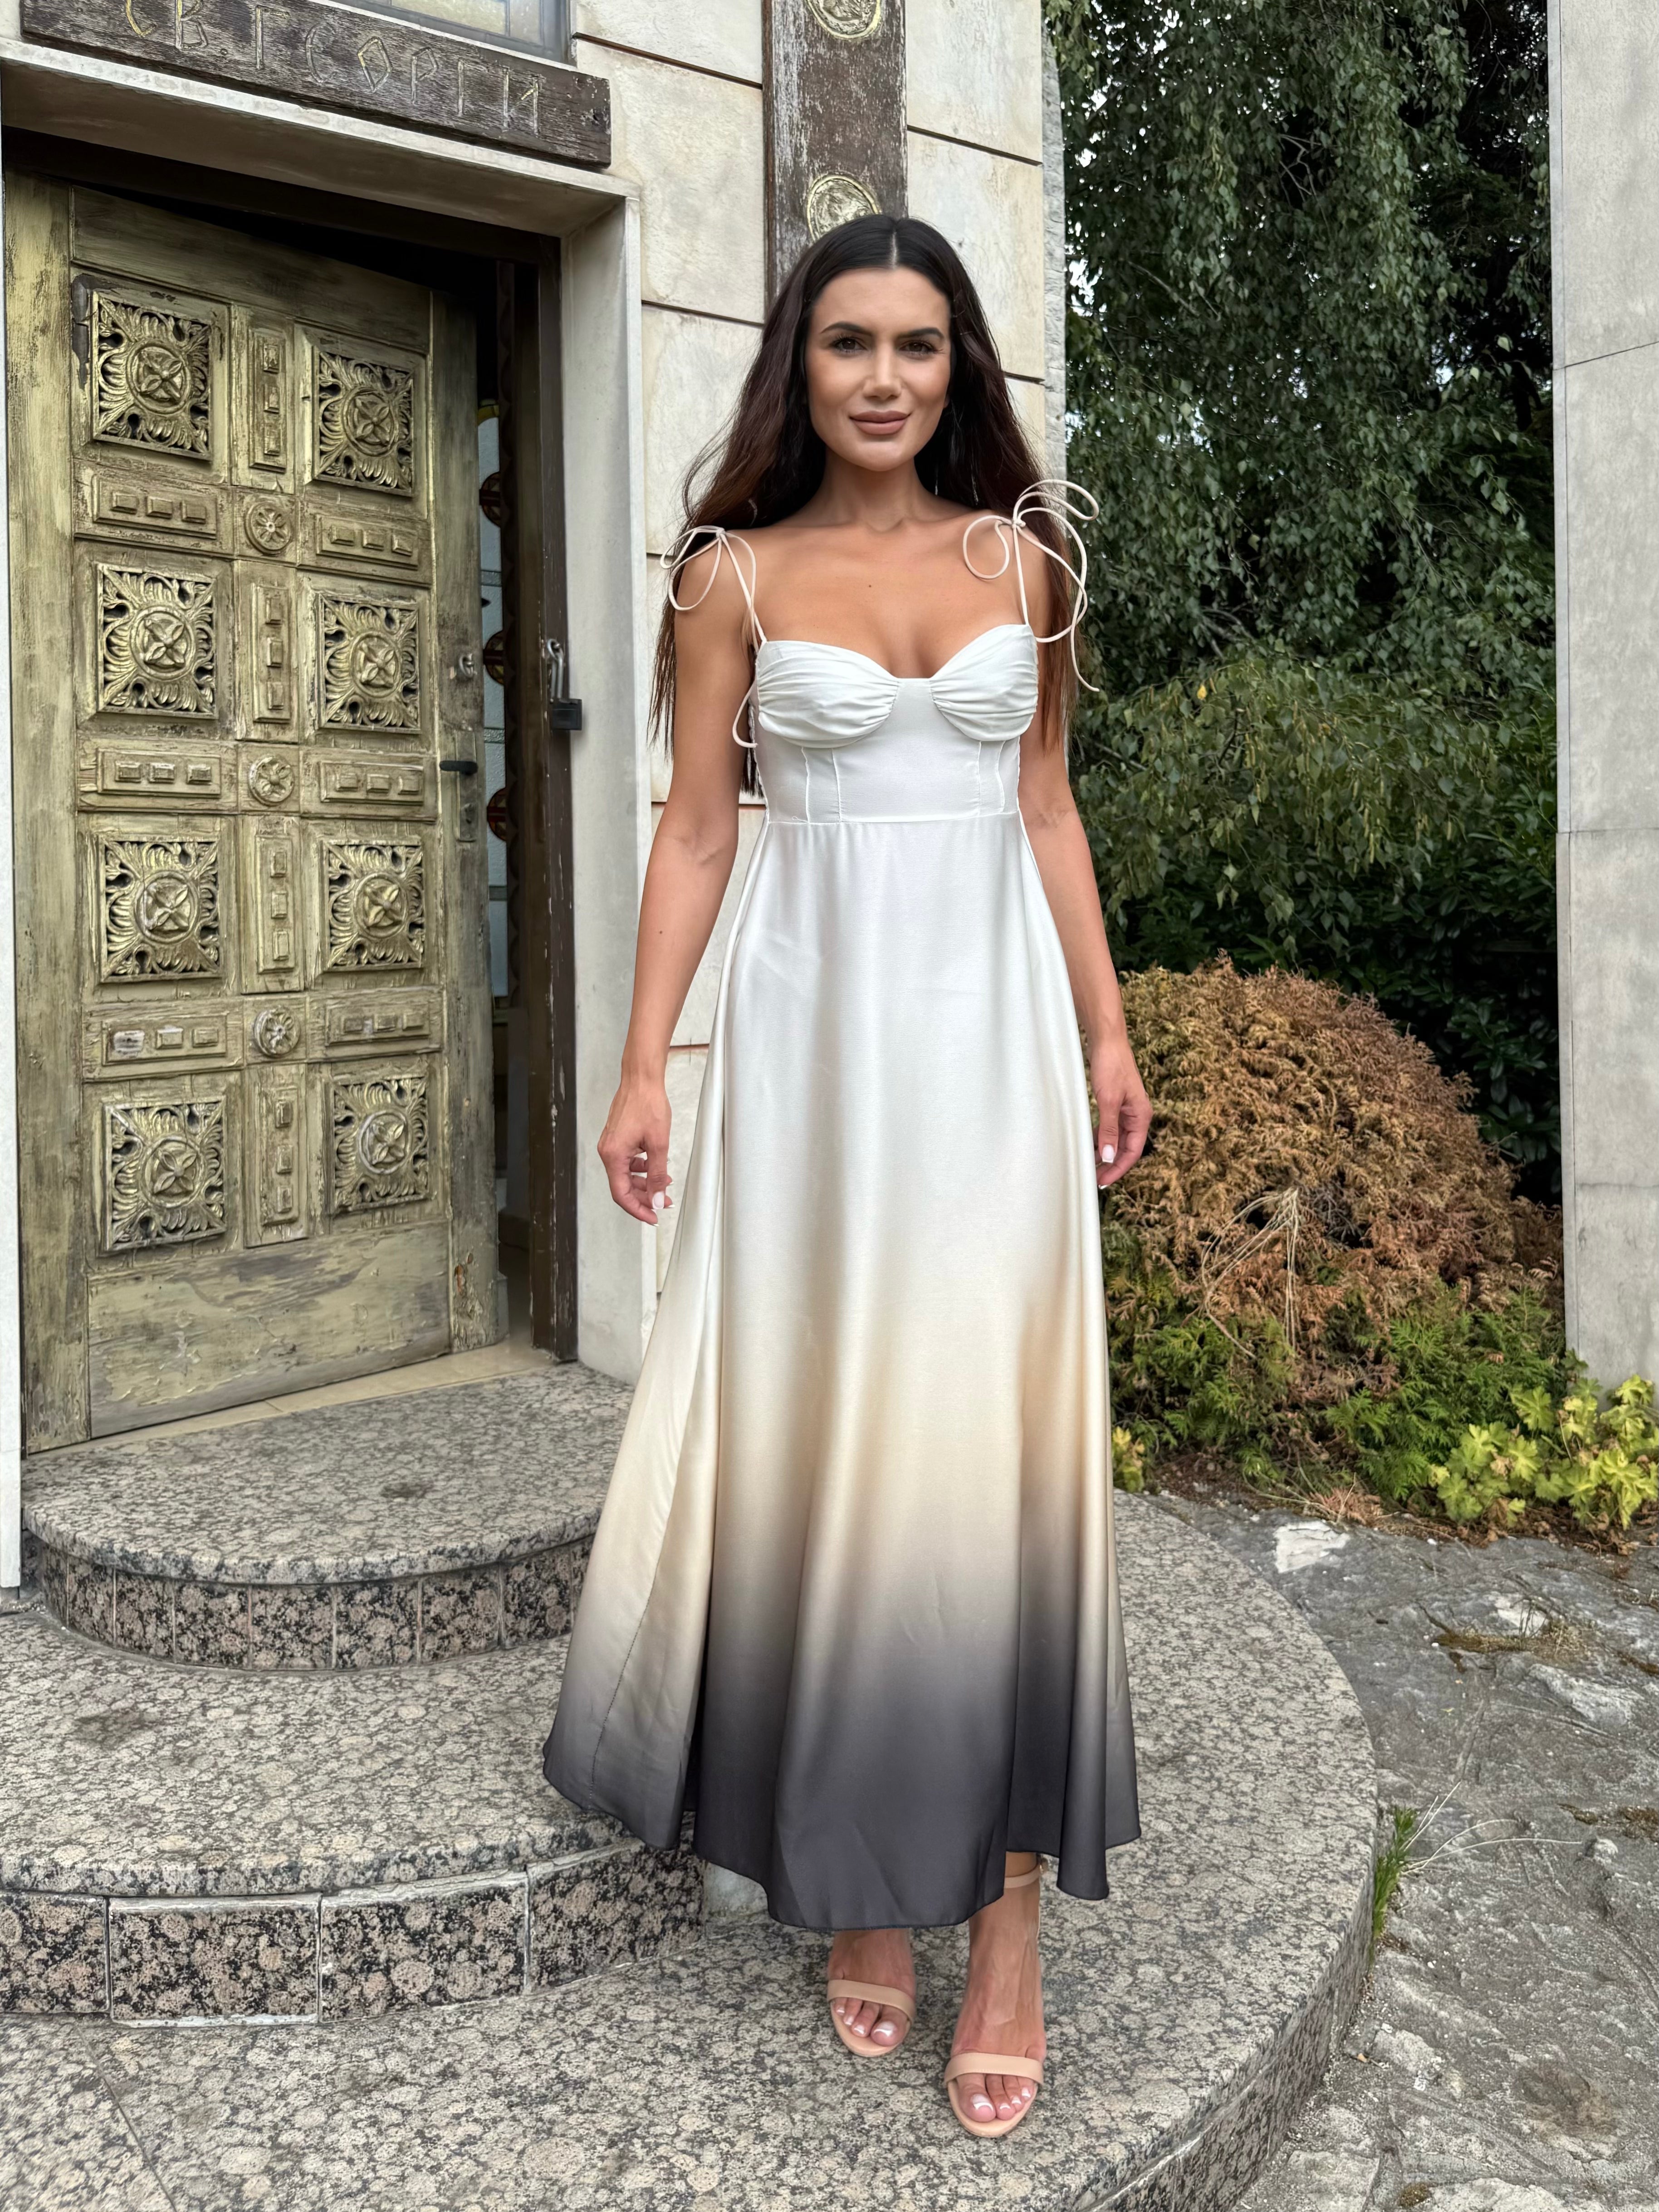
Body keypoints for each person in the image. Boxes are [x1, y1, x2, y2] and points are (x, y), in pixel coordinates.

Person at [543, 212, 1148, 2140]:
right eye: (847, 342)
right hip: (811, 1059)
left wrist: (1109, 1032)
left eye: (918, 343)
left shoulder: (1027, 560)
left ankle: (1008, 1925)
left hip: (993, 1055)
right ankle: (865, 1874)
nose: (883, 377)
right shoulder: (729, 574)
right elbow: (699, 837)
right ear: (796, 367)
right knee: (835, 1441)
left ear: (959, 365)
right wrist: (643, 1063)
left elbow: (1044, 805)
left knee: (990, 1450)